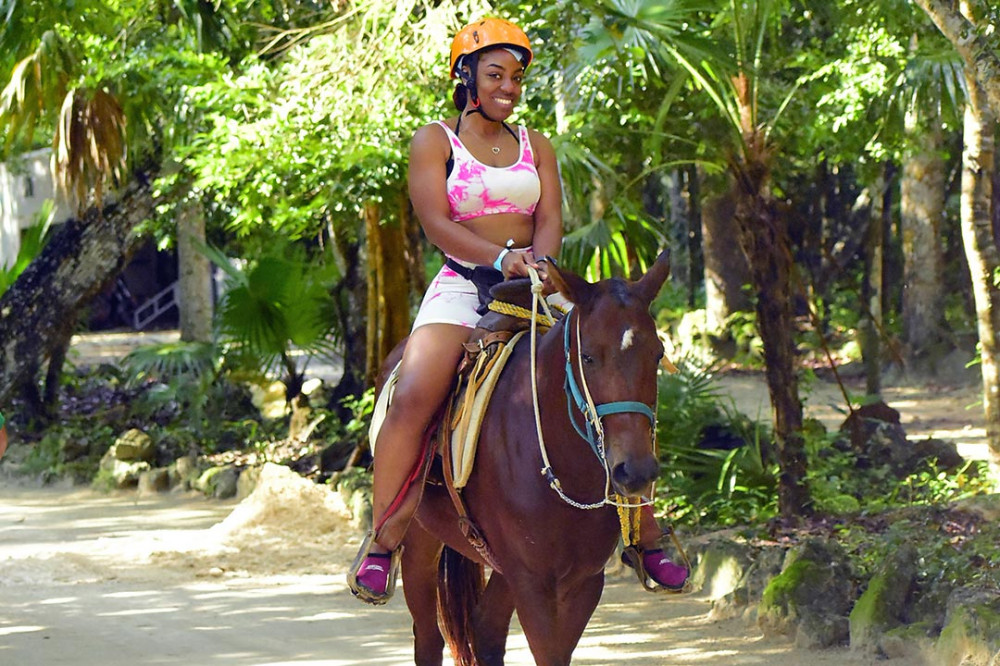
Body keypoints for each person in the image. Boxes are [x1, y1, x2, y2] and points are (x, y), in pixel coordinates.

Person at [347, 17, 687, 605]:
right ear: (466, 76)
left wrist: (543, 267)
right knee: (412, 394)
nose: (508, 86)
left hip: (539, 283)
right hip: (465, 285)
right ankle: (382, 543)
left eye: (516, 76)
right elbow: (437, 223)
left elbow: (549, 216)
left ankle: (642, 531)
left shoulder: (536, 144)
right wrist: (501, 256)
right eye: (495, 73)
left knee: (618, 373)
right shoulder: (435, 140)